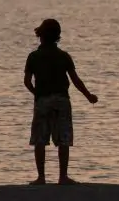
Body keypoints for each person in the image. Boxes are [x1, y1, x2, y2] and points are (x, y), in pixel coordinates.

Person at [24, 18, 98, 185]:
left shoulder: (34, 57)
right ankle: (62, 176)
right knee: (63, 139)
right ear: (57, 36)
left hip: (42, 101)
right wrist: (88, 96)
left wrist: (37, 94)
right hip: (61, 100)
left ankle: (41, 177)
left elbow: (27, 82)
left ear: (40, 35)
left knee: (40, 140)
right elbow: (75, 80)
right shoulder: (63, 56)